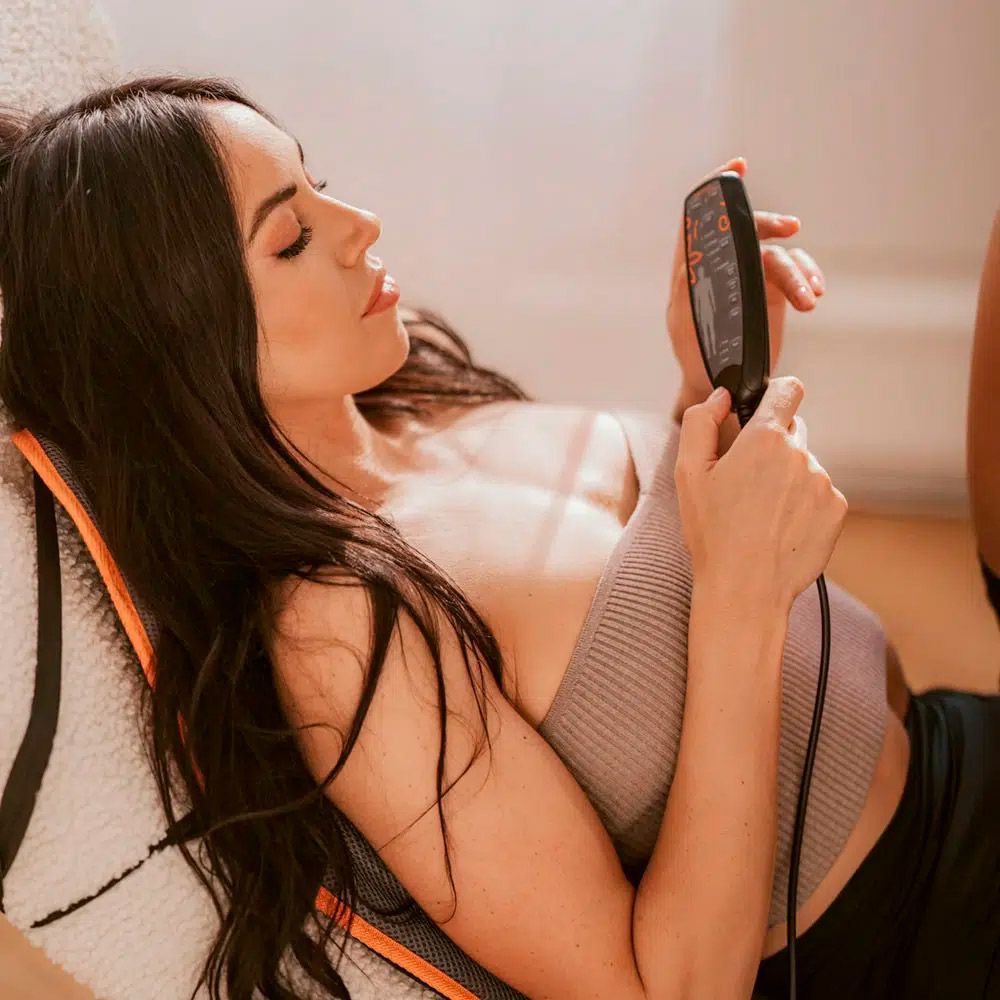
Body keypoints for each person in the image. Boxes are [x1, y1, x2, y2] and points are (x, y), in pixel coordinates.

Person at [0, 74, 995, 999]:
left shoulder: (410, 397)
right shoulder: (337, 627)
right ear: (180, 335)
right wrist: (744, 599)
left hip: (957, 742)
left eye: (320, 184)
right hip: (919, 932)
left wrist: (706, 394)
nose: (360, 225)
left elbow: (638, 616)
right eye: (292, 236)